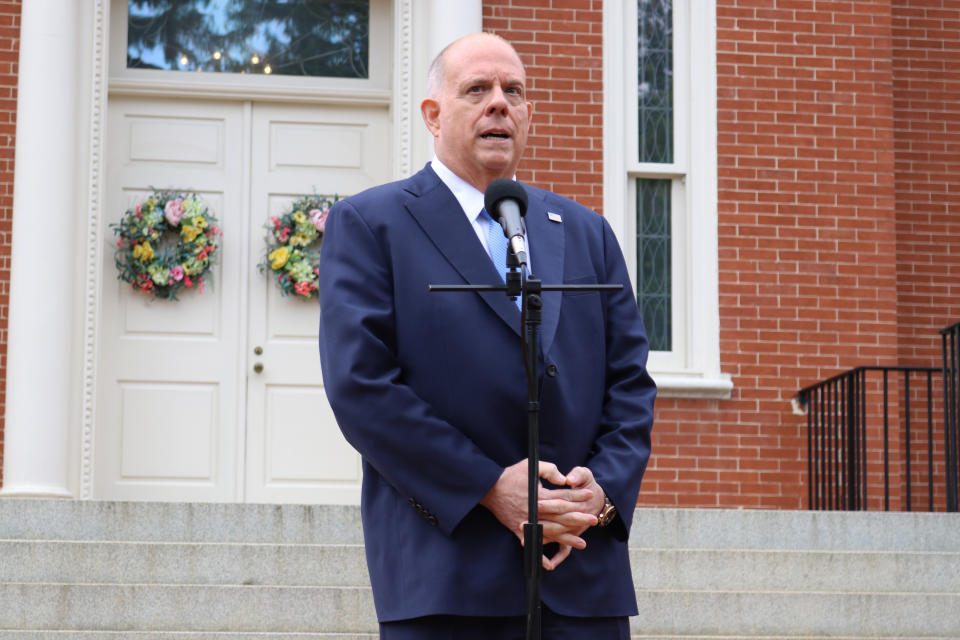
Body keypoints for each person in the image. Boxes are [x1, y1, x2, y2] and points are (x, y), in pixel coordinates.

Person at [317, 32, 656, 639]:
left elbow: (631, 381)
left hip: (580, 571)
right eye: (477, 89)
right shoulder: (372, 225)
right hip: (448, 578)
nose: (499, 103)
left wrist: (598, 496)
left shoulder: (587, 233)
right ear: (433, 114)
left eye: (514, 91)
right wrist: (488, 488)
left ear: (529, 115)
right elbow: (362, 386)